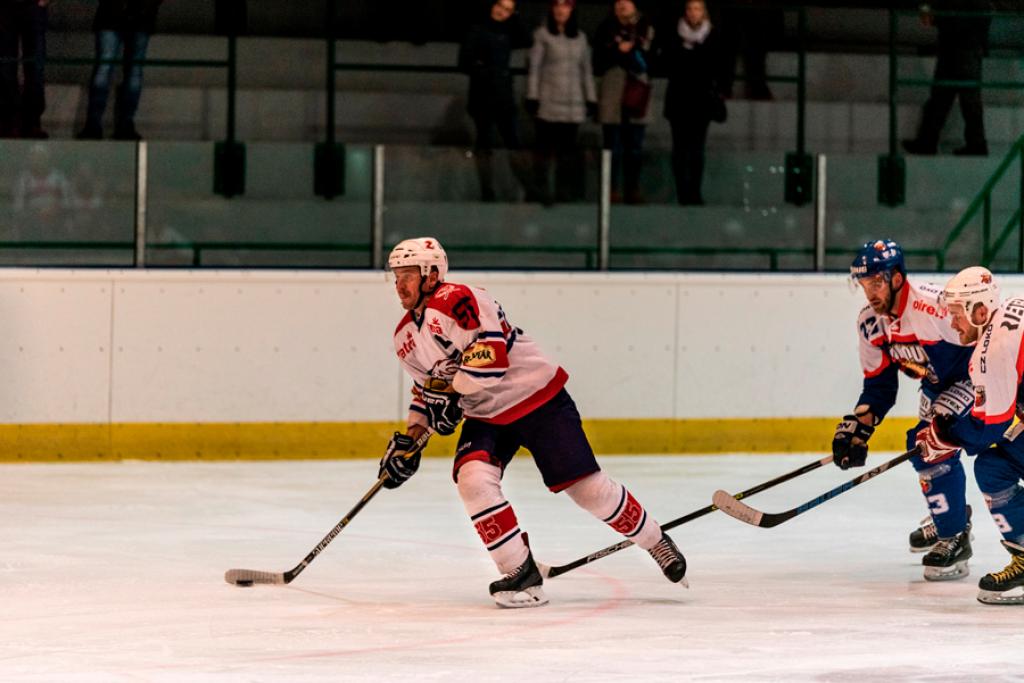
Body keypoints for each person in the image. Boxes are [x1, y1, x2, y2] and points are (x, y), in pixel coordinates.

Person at [380, 237, 688, 608]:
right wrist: (414, 438)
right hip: (487, 414)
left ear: (431, 275)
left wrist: (452, 395)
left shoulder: (459, 299)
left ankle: (655, 540)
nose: (400, 284)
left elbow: (491, 360)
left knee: (588, 490)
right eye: (396, 275)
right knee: (472, 479)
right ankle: (520, 572)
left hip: (537, 398)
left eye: (408, 274)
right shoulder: (405, 338)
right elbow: (426, 391)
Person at [833, 239, 975, 581]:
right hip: (936, 385)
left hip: (974, 377)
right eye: (865, 284)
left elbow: (982, 340)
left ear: (897, 278)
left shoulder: (932, 307)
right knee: (923, 448)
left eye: (877, 282)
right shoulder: (871, 322)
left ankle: (955, 535)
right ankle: (948, 517)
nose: (870, 293)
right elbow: (880, 386)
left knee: (929, 447)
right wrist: (859, 426)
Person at [913, 267, 1024, 604]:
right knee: (1001, 456)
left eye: (957, 314)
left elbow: (987, 428)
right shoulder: (1015, 306)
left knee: (991, 466)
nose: (952, 322)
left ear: (979, 311)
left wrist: (942, 436)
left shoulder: (990, 350)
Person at [457, 0, 533, 202]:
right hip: (482, 95)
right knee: (485, 143)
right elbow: (464, 62)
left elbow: (527, 38)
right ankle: (487, 191)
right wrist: (485, 71)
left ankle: (528, 187)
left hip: (504, 97)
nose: (502, 12)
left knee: (513, 143)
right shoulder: (477, 30)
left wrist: (515, 16)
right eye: (500, 5)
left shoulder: (509, 32)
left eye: (508, 9)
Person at [525, 0, 596, 205]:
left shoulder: (581, 38)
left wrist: (590, 98)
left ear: (572, 10)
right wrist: (532, 95)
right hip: (548, 103)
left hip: (573, 105)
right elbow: (535, 68)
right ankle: (540, 190)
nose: (560, 10)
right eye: (557, 5)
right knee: (544, 150)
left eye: (565, 6)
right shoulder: (542, 34)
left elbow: (586, 71)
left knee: (568, 153)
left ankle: (564, 192)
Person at [902, 0, 992, 157]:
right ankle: (976, 144)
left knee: (942, 99)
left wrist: (925, 8)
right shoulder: (980, 5)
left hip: (954, 49)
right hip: (968, 49)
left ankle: (927, 142)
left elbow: (929, 20)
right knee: (967, 101)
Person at [662, 0, 727, 206]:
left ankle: (695, 192)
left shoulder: (713, 36)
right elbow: (668, 64)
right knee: (680, 149)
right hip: (679, 100)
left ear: (704, 12)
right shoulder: (673, 36)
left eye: (697, 8)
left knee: (697, 149)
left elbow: (717, 65)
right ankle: (682, 192)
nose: (693, 13)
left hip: (701, 101)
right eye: (689, 9)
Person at [593, 0, 654, 205]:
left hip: (637, 91)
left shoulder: (646, 27)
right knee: (612, 145)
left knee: (635, 146)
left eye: (626, 2)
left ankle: (633, 189)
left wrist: (631, 49)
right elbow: (599, 60)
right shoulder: (605, 29)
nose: (621, 6)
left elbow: (650, 58)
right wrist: (618, 51)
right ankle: (610, 189)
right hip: (612, 92)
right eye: (618, 3)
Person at [77, 0, 163, 141]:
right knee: (130, 72)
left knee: (106, 69)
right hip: (136, 16)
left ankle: (95, 124)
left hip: (117, 14)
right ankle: (123, 125)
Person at [0, 0, 49, 138]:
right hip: (5, 8)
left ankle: (31, 121)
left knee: (35, 68)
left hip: (33, 6)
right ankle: (9, 120)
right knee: (5, 67)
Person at [12, 142, 70, 237]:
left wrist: (54, 211)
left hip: (56, 221)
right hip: (31, 224)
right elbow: (19, 207)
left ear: (47, 158)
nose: (37, 160)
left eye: (40, 157)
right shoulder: (24, 179)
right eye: (34, 157)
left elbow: (66, 203)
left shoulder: (59, 178)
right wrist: (34, 215)